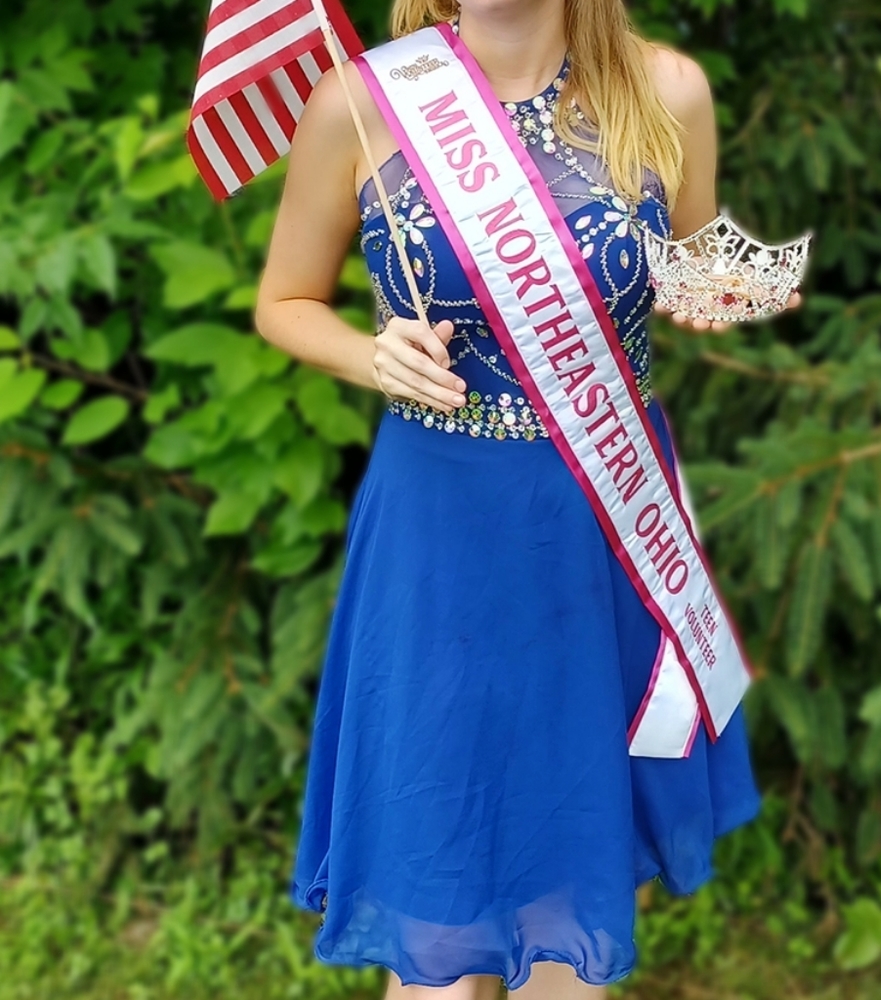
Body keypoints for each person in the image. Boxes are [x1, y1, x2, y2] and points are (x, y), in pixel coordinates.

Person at [255, 1, 799, 997]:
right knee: (435, 866)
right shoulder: (361, 102)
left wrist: (721, 289)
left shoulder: (666, 91)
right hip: (439, 534)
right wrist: (370, 355)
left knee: (569, 875)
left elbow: (687, 266)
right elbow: (284, 301)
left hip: (600, 528)